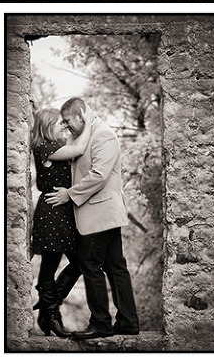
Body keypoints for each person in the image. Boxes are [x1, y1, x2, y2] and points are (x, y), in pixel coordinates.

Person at [45, 97, 140, 339]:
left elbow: (99, 175)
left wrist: (69, 194)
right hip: (99, 214)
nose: (66, 125)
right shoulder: (83, 136)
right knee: (115, 266)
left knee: (89, 263)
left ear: (81, 115)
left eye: (68, 120)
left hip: (100, 213)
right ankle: (128, 322)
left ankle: (101, 323)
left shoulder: (103, 135)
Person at [29, 109, 84, 337]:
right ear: (48, 125)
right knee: (50, 265)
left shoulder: (55, 146)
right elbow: (79, 149)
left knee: (80, 261)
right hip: (52, 211)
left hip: (63, 210)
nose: (64, 125)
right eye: (60, 122)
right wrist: (88, 124)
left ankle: (47, 306)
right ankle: (51, 315)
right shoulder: (45, 148)